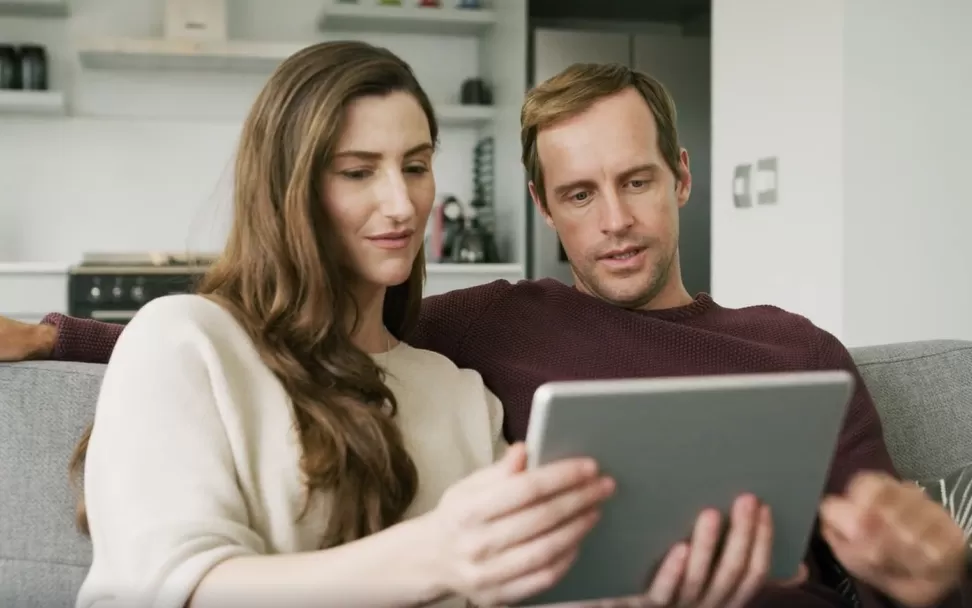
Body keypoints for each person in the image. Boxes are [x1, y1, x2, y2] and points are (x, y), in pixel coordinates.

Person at [1, 61, 968, 608]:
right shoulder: (492, 326)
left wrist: (934, 577)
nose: (616, 221)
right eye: (581, 195)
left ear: (680, 176)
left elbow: (881, 565)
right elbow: (270, 337)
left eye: (635, 182)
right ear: (544, 208)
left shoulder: (798, 353)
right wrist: (53, 338)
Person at [39, 42, 677, 608]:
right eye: (357, 172)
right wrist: (433, 555)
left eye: (417, 166)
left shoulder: (458, 394)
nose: (402, 206)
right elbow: (169, 589)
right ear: (288, 189)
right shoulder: (185, 339)